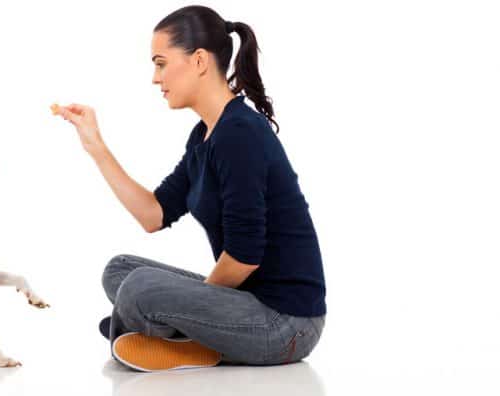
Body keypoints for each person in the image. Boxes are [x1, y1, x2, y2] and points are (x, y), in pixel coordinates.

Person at [56, 5, 326, 372]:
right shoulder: (205, 135)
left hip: (287, 325)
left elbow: (245, 256)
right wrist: (96, 146)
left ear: (199, 61)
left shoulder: (239, 134)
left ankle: (165, 335)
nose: (155, 77)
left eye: (161, 62)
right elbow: (154, 215)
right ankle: (171, 337)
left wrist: (191, 302)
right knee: (120, 270)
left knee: (140, 289)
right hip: (245, 303)